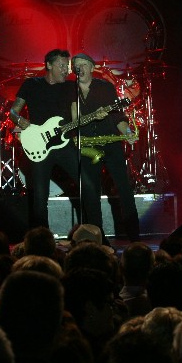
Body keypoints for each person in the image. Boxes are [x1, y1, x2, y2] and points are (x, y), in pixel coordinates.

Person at [9, 49, 107, 232]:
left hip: (64, 144)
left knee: (88, 186)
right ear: (48, 65)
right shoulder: (31, 84)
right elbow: (13, 111)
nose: (66, 70)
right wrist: (19, 120)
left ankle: (97, 234)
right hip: (40, 145)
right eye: (61, 66)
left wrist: (93, 116)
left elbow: (75, 117)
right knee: (40, 197)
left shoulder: (70, 87)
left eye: (67, 66)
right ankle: (42, 240)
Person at [70, 52, 141, 241]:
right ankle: (97, 239)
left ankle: (135, 237)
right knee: (91, 193)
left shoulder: (105, 87)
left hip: (110, 144)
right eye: (77, 65)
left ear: (92, 68)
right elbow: (69, 121)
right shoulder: (69, 90)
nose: (80, 68)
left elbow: (118, 116)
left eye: (84, 64)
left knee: (124, 189)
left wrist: (127, 133)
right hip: (86, 147)